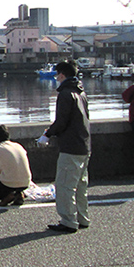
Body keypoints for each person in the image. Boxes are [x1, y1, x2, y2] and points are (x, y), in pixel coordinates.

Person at [37, 60, 90, 233]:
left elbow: (62, 121)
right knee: (80, 185)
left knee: (65, 185)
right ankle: (82, 218)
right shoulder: (81, 93)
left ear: (62, 74)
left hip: (71, 146)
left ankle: (68, 221)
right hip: (84, 145)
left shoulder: (66, 94)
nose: (55, 76)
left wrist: (47, 134)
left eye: (57, 73)